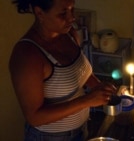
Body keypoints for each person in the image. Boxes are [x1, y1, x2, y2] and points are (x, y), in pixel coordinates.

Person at [9, 0, 117, 141]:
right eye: (62, 13)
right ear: (39, 13)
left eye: (72, 9)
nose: (72, 18)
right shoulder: (27, 55)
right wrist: (87, 100)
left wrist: (98, 86)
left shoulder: (70, 34)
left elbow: (79, 71)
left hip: (81, 129)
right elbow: (34, 117)